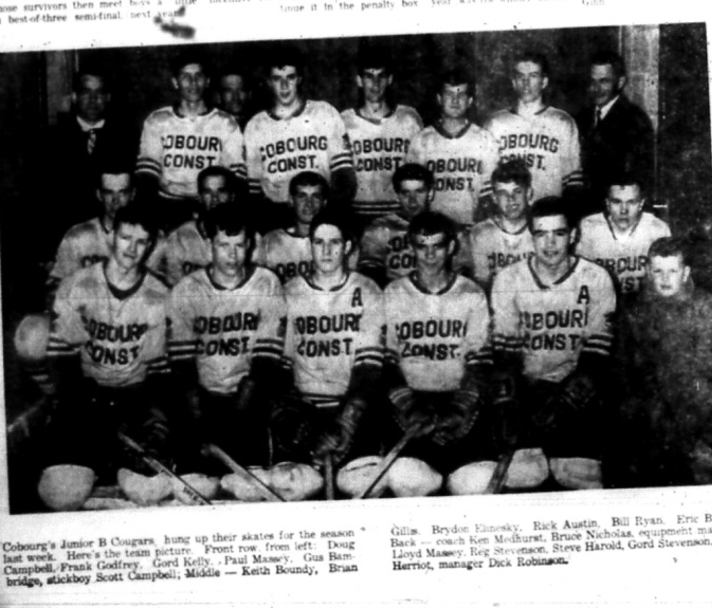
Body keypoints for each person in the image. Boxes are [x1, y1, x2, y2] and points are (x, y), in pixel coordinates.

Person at [491, 197, 616, 490]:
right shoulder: (509, 278)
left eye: (558, 234)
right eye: (540, 234)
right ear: (530, 236)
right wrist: (508, 404)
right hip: (526, 389)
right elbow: (504, 354)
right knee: (524, 475)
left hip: (574, 389)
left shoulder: (596, 278)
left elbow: (596, 355)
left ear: (572, 235)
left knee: (579, 476)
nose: (549, 244)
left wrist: (567, 401)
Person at [41, 204, 172, 478]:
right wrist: (84, 400)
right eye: (126, 238)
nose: (132, 249)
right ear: (112, 235)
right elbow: (60, 357)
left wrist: (143, 410)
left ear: (150, 246)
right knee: (65, 462)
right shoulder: (76, 285)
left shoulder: (159, 294)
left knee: (151, 454)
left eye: (141, 242)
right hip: (87, 391)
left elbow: (158, 371)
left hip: (135, 393)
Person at [382, 211, 494, 496]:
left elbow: (480, 363)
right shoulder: (393, 293)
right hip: (412, 405)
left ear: (452, 247)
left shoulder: (471, 293)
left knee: (476, 483)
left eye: (438, 246)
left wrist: (460, 409)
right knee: (408, 478)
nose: (430, 255)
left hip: (459, 401)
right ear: (412, 247)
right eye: (422, 246)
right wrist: (408, 406)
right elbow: (387, 362)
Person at [168, 205, 286, 471]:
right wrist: (194, 403)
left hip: (249, 397)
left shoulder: (266, 283)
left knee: (249, 482)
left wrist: (244, 404)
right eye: (223, 245)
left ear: (250, 244)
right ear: (209, 245)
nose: (232, 255)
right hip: (204, 396)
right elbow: (181, 360)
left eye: (239, 245)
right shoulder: (187, 289)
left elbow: (267, 358)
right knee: (198, 479)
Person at [274, 209, 385, 477]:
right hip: (305, 409)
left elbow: (369, 367)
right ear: (310, 246)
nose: (326, 251)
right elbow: (281, 367)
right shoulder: (289, 292)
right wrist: (291, 416)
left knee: (359, 484)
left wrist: (347, 421)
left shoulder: (368, 290)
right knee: (295, 484)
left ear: (346, 247)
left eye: (334, 242)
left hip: (350, 407)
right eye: (319, 242)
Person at [609, 237, 712, 487]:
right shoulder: (635, 309)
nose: (664, 279)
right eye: (658, 271)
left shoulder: (702, 305)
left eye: (672, 271)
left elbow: (706, 366)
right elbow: (624, 367)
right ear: (648, 272)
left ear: (685, 273)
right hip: (647, 411)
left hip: (691, 407)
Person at [245, 47, 356, 233]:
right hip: (277, 214)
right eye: (277, 79)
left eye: (290, 77)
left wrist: (332, 212)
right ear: (268, 82)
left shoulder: (324, 113)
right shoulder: (255, 126)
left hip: (320, 210)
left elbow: (344, 174)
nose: (284, 86)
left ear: (300, 79)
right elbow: (253, 190)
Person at [136, 51, 246, 232]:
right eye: (186, 77)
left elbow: (235, 177)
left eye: (198, 76)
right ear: (175, 82)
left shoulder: (225, 122)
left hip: (211, 205)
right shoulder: (158, 120)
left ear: (207, 81)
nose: (193, 83)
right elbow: (147, 175)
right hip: (167, 205)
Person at [45, 68, 138, 241]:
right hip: (64, 236)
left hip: (113, 238)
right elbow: (42, 197)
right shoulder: (52, 139)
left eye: (99, 93)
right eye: (86, 93)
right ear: (74, 97)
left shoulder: (127, 137)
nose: (93, 100)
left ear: (108, 97)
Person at [484, 52, 582, 205]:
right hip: (509, 214)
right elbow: (487, 180)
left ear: (544, 81)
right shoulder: (496, 123)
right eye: (520, 76)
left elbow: (573, 182)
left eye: (533, 76)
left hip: (548, 215)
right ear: (513, 82)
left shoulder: (562, 121)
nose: (526, 82)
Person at [406, 68, 498, 227]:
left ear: (469, 101)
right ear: (439, 99)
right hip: (432, 230)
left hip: (471, 227)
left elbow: (488, 195)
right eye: (449, 94)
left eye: (461, 95)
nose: (455, 101)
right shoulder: (422, 140)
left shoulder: (484, 139)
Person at [341, 49, 423, 220]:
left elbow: (420, 172)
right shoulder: (344, 121)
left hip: (399, 213)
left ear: (390, 79)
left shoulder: (408, 119)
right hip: (358, 214)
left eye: (381, 76)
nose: (376, 83)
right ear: (359, 80)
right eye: (369, 76)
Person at [575, 51, 655, 217]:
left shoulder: (635, 121)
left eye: (604, 81)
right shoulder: (581, 118)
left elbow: (637, 179)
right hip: (584, 214)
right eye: (592, 81)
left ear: (620, 82)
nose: (595, 88)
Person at [147, 166, 247, 287]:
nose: (215, 199)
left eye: (221, 191)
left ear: (232, 196)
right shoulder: (180, 237)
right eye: (207, 192)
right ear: (199, 197)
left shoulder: (249, 238)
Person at [47, 164, 135, 298]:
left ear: (133, 194)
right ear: (99, 195)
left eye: (122, 192)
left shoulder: (149, 240)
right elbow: (57, 288)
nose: (115, 201)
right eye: (108, 192)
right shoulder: (78, 237)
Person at [576, 173, 670, 298]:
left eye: (631, 202)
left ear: (641, 204)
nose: (624, 210)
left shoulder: (657, 229)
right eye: (616, 202)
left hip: (643, 305)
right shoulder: (590, 228)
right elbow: (579, 280)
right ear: (607, 204)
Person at [357, 163, 434, 288]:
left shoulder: (447, 227)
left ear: (430, 193)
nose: (412, 200)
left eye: (419, 192)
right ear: (397, 196)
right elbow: (369, 273)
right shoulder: (380, 227)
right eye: (405, 193)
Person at [466, 158, 536, 291]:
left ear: (528, 193)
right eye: (503, 193)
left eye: (517, 191)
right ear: (494, 197)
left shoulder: (539, 230)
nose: (511, 199)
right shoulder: (481, 233)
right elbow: (482, 283)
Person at [255, 171, 328, 284]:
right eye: (302, 196)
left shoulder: (335, 240)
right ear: (291, 200)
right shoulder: (270, 241)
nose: (309, 204)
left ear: (324, 202)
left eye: (315, 197)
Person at [216, 65, 252, 130]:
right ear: (218, 96)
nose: (235, 97)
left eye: (241, 90)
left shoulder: (259, 126)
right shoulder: (209, 128)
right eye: (228, 91)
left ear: (249, 94)